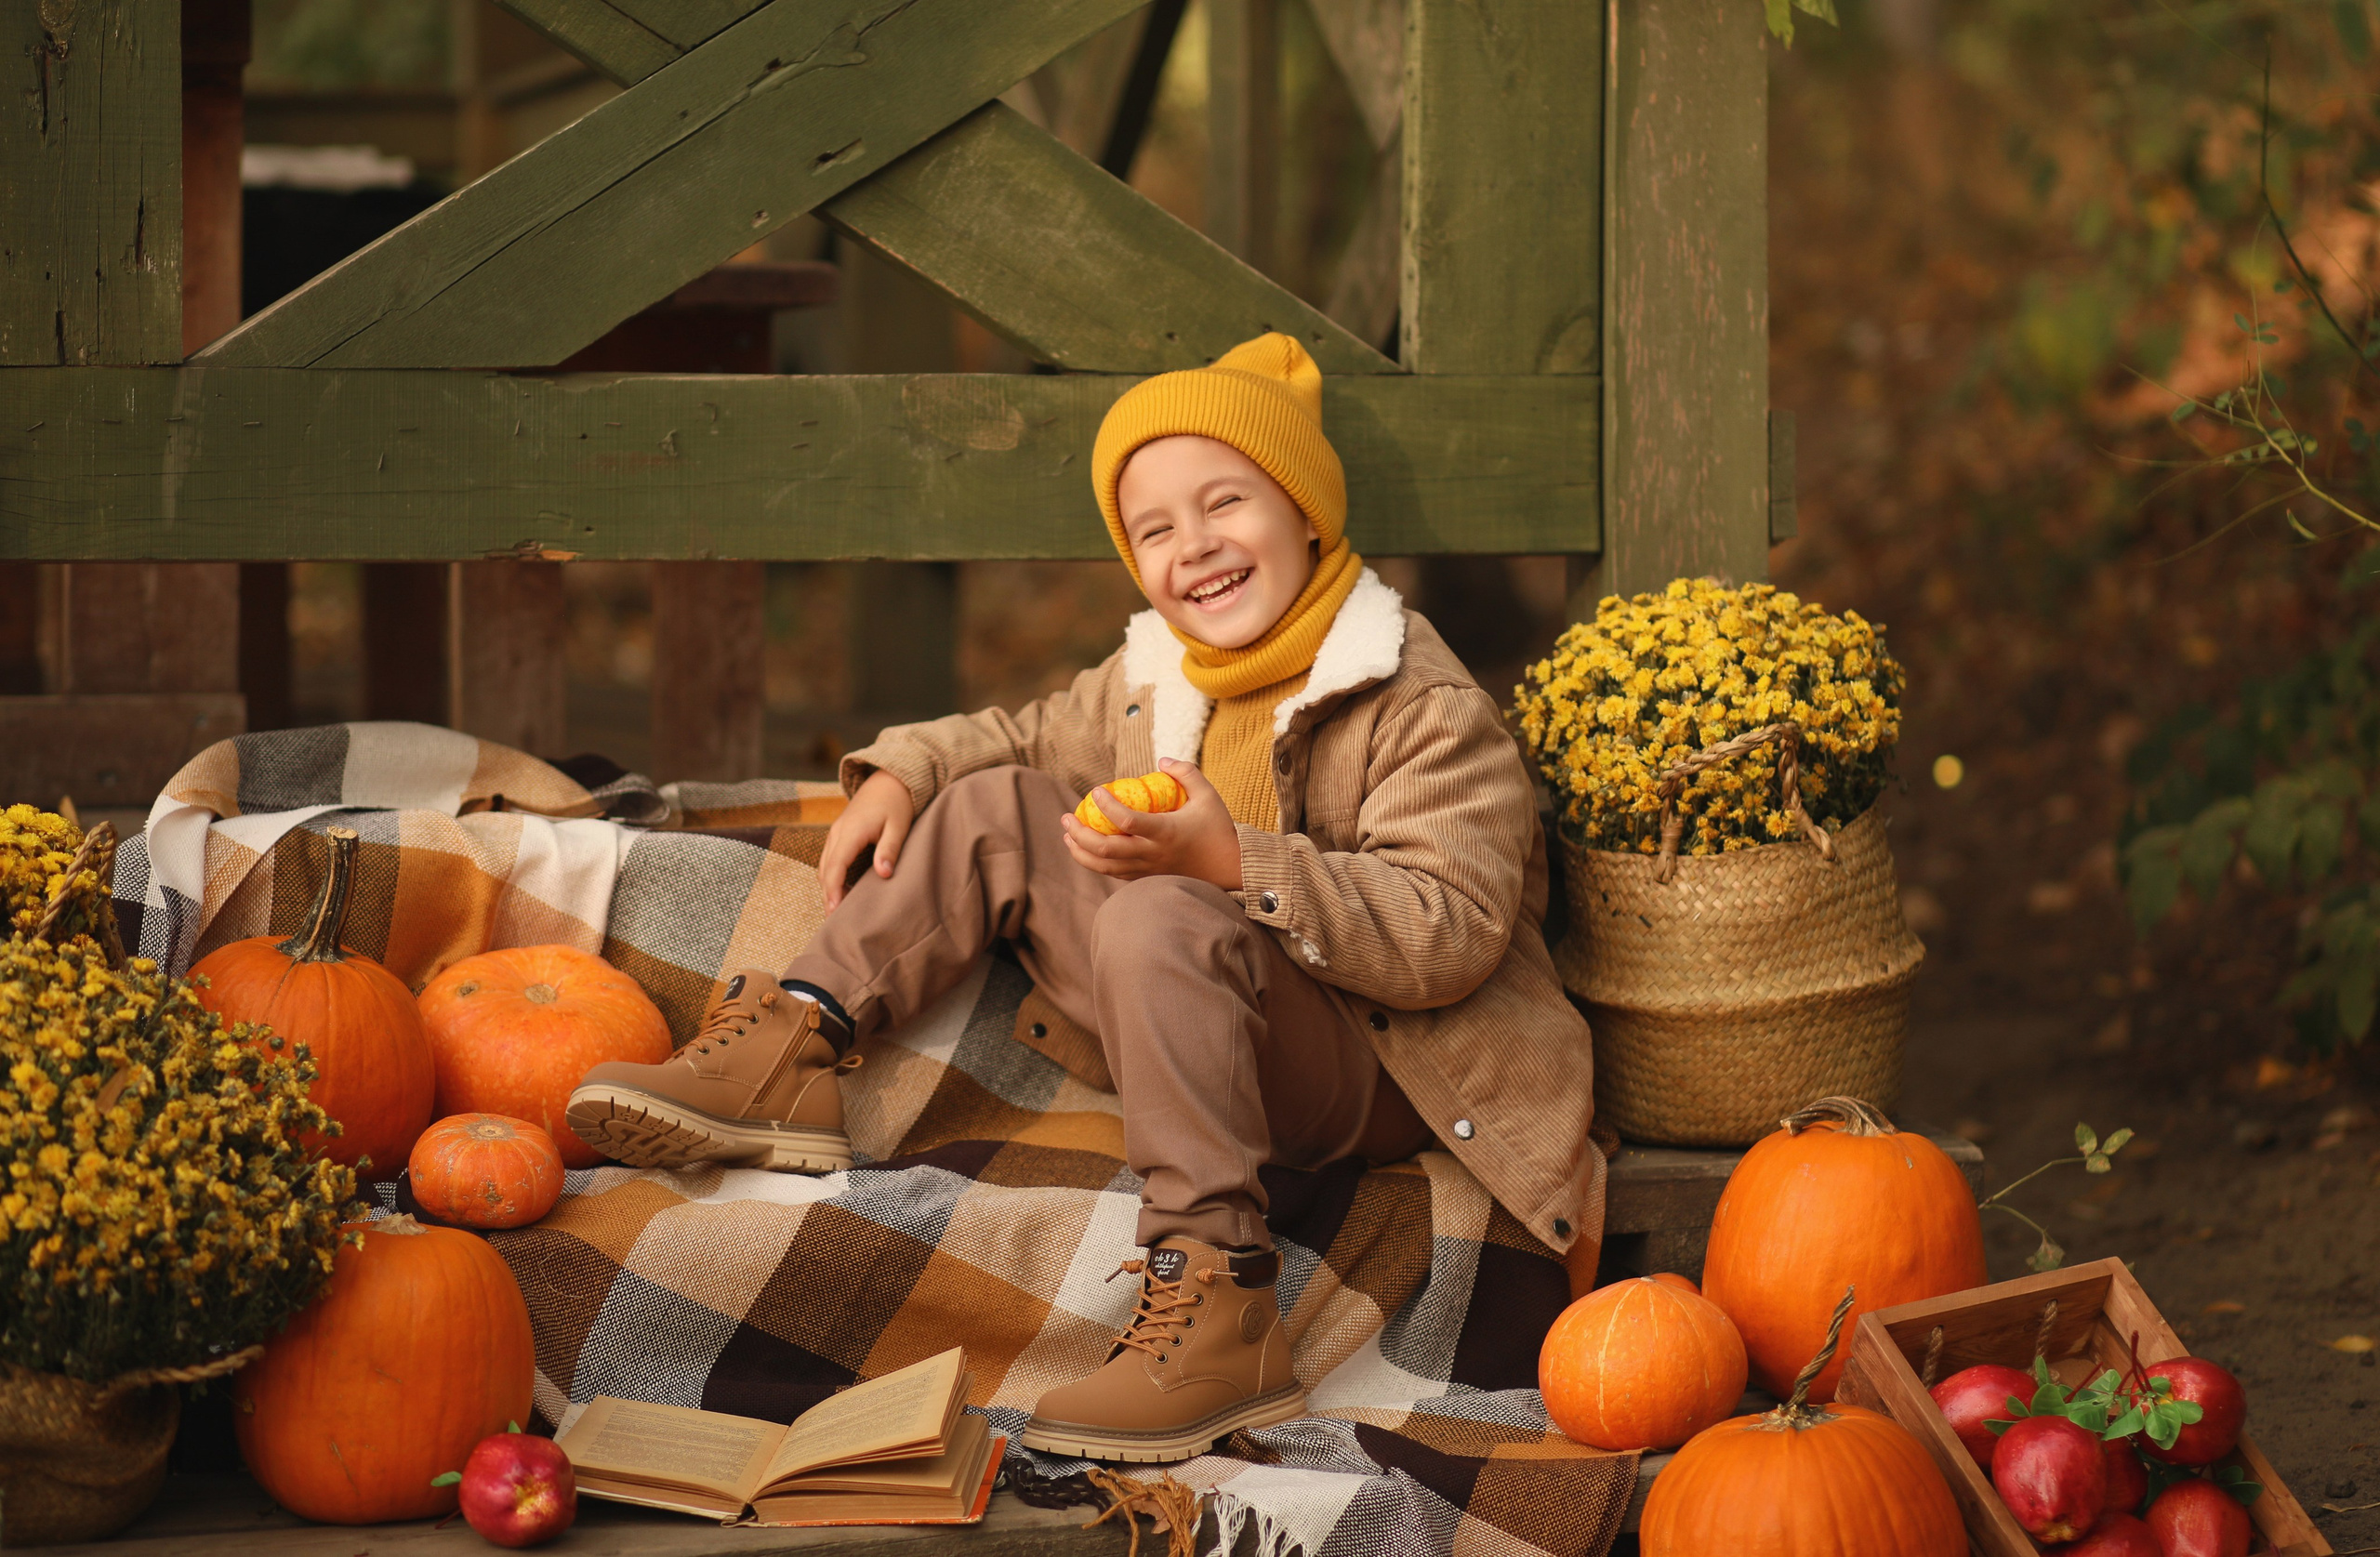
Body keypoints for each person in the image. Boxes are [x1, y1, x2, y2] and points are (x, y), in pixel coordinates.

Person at [567, 334, 1596, 1462]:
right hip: (1206, 1002)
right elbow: (1014, 737)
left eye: (1226, 504)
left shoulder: (1418, 703)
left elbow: (1442, 938)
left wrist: (1229, 860)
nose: (1193, 546)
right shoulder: (1157, 676)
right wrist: (906, 766)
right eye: (1155, 530)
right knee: (1003, 799)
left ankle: (1213, 1304)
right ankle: (796, 1046)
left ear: (1304, 509)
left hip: (1387, 1054)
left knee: (1159, 908)